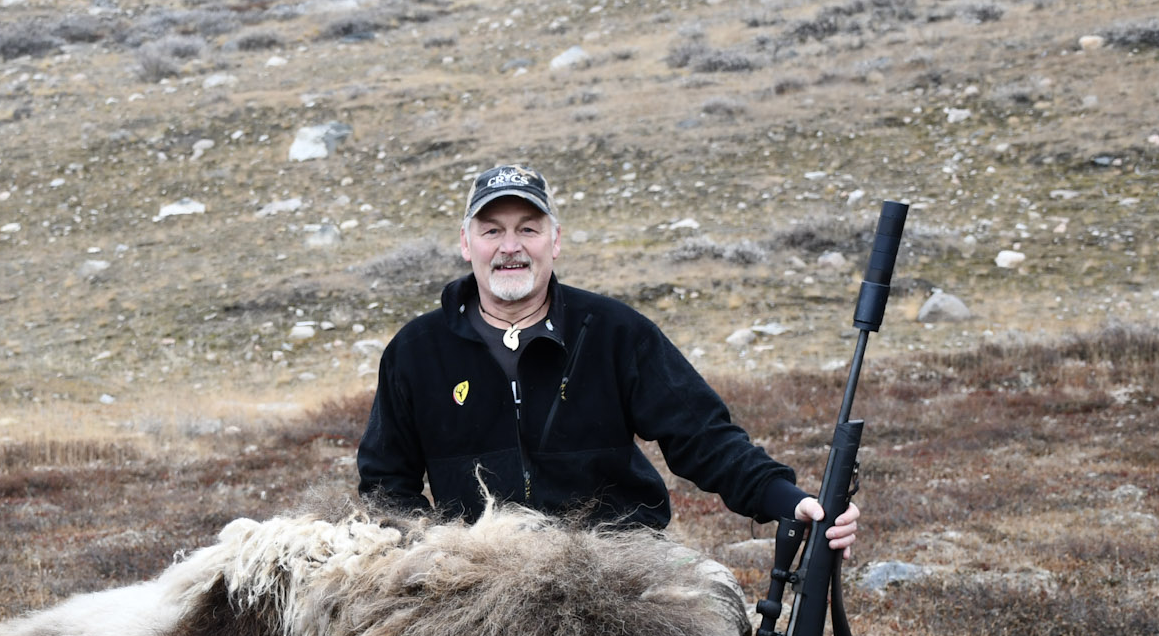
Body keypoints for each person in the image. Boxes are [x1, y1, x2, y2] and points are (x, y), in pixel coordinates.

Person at [357, 163, 860, 548]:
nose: (511, 246)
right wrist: (431, 551)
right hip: (477, 575)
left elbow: (703, 436)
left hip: (618, 560)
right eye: (492, 230)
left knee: (713, 634)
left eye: (528, 228)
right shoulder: (415, 352)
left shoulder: (616, 332)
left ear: (556, 241)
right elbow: (385, 483)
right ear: (467, 244)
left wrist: (786, 500)